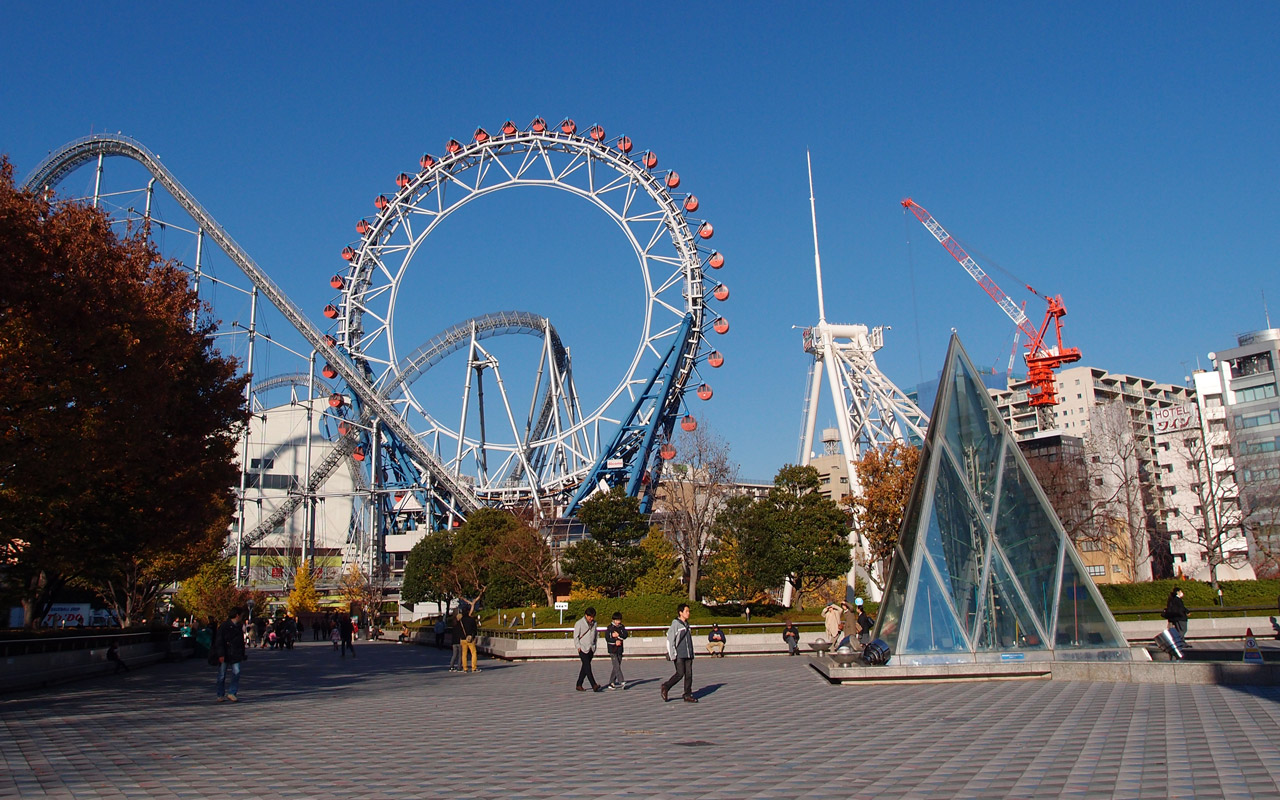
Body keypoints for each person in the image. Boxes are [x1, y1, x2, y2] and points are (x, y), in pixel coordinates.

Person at [661, 603, 697, 703]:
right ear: (680, 613)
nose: (688, 613)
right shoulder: (675, 624)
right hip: (679, 654)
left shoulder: (687, 624)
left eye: (689, 611)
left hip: (688, 653)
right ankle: (666, 686)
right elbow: (670, 639)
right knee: (680, 674)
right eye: (686, 611)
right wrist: (672, 654)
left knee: (689, 675)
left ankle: (687, 694)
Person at [214, 606, 248, 702]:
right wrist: (220, 654)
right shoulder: (224, 626)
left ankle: (232, 693)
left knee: (236, 672)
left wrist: (242, 653)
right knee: (222, 675)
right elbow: (219, 641)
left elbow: (241, 642)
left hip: (235, 653)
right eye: (241, 615)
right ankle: (220, 694)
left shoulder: (238, 626)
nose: (242, 617)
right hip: (225, 653)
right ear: (237, 615)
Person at [572, 607, 603, 692]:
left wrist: (595, 646)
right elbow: (576, 637)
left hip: (591, 648)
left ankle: (579, 684)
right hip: (582, 648)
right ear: (586, 615)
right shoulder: (579, 623)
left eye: (593, 617)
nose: (591, 618)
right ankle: (594, 685)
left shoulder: (595, 623)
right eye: (590, 617)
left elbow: (595, 635)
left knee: (585, 667)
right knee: (588, 667)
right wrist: (578, 647)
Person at [604, 611, 629, 689]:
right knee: (616, 665)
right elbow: (608, 638)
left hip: (620, 649)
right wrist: (615, 641)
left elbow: (625, 635)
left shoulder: (622, 627)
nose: (618, 622)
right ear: (613, 620)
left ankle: (611, 682)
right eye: (617, 620)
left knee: (616, 666)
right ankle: (621, 681)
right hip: (612, 650)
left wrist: (619, 636)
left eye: (619, 620)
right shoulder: (610, 628)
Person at [459, 608, 480, 673]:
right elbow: (475, 629)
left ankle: (465, 668)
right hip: (470, 638)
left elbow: (458, 630)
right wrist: (473, 636)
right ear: (468, 612)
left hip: (463, 639)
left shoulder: (461, 620)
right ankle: (474, 668)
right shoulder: (471, 620)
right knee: (473, 653)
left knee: (464, 654)